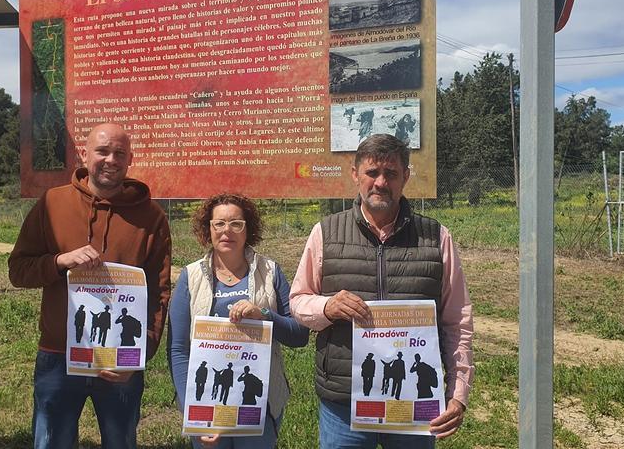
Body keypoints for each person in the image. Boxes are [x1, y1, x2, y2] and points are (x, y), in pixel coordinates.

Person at [290, 134, 474, 448]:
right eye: (372, 172)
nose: (380, 182)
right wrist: (326, 307)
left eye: (390, 173)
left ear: (406, 177)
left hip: (413, 405)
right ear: (355, 175)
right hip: (343, 403)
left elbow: (457, 322)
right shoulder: (325, 232)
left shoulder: (437, 238)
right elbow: (298, 300)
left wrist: (458, 393)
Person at [8, 123, 171, 449]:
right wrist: (59, 261)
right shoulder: (53, 204)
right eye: (102, 151)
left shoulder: (151, 217)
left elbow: (159, 291)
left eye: (119, 154)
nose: (111, 159)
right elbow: (18, 271)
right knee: (52, 441)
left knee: (120, 441)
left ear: (130, 160)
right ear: (84, 154)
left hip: (118, 361)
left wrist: (138, 356)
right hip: (59, 355)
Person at [168, 192, 309, 449]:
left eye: (236, 223)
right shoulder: (190, 276)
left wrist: (264, 315)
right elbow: (178, 350)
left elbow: (299, 335)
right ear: (207, 229)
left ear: (248, 229)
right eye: (219, 224)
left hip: (259, 402)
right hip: (207, 403)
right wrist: (194, 411)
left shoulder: (271, 272)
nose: (227, 231)